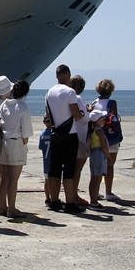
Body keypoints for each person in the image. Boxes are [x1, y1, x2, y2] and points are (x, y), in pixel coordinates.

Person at [44, 64, 87, 212]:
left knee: (54, 169)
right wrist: (83, 112)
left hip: (55, 134)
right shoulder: (70, 92)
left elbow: (48, 118)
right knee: (68, 170)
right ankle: (70, 203)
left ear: (57, 76)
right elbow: (76, 115)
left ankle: (54, 201)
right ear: (68, 74)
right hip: (70, 135)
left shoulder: (49, 92)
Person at [0, 78, 31, 218]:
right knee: (13, 179)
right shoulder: (23, 107)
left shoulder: (4, 104)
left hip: (4, 142)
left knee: (4, 177)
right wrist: (24, 144)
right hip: (16, 142)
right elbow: (26, 132)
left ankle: (2, 206)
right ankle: (12, 208)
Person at [90, 78, 123, 202]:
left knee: (97, 167)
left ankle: (96, 191)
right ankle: (108, 192)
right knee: (110, 165)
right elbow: (114, 119)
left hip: (97, 137)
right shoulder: (112, 103)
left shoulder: (94, 103)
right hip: (111, 138)